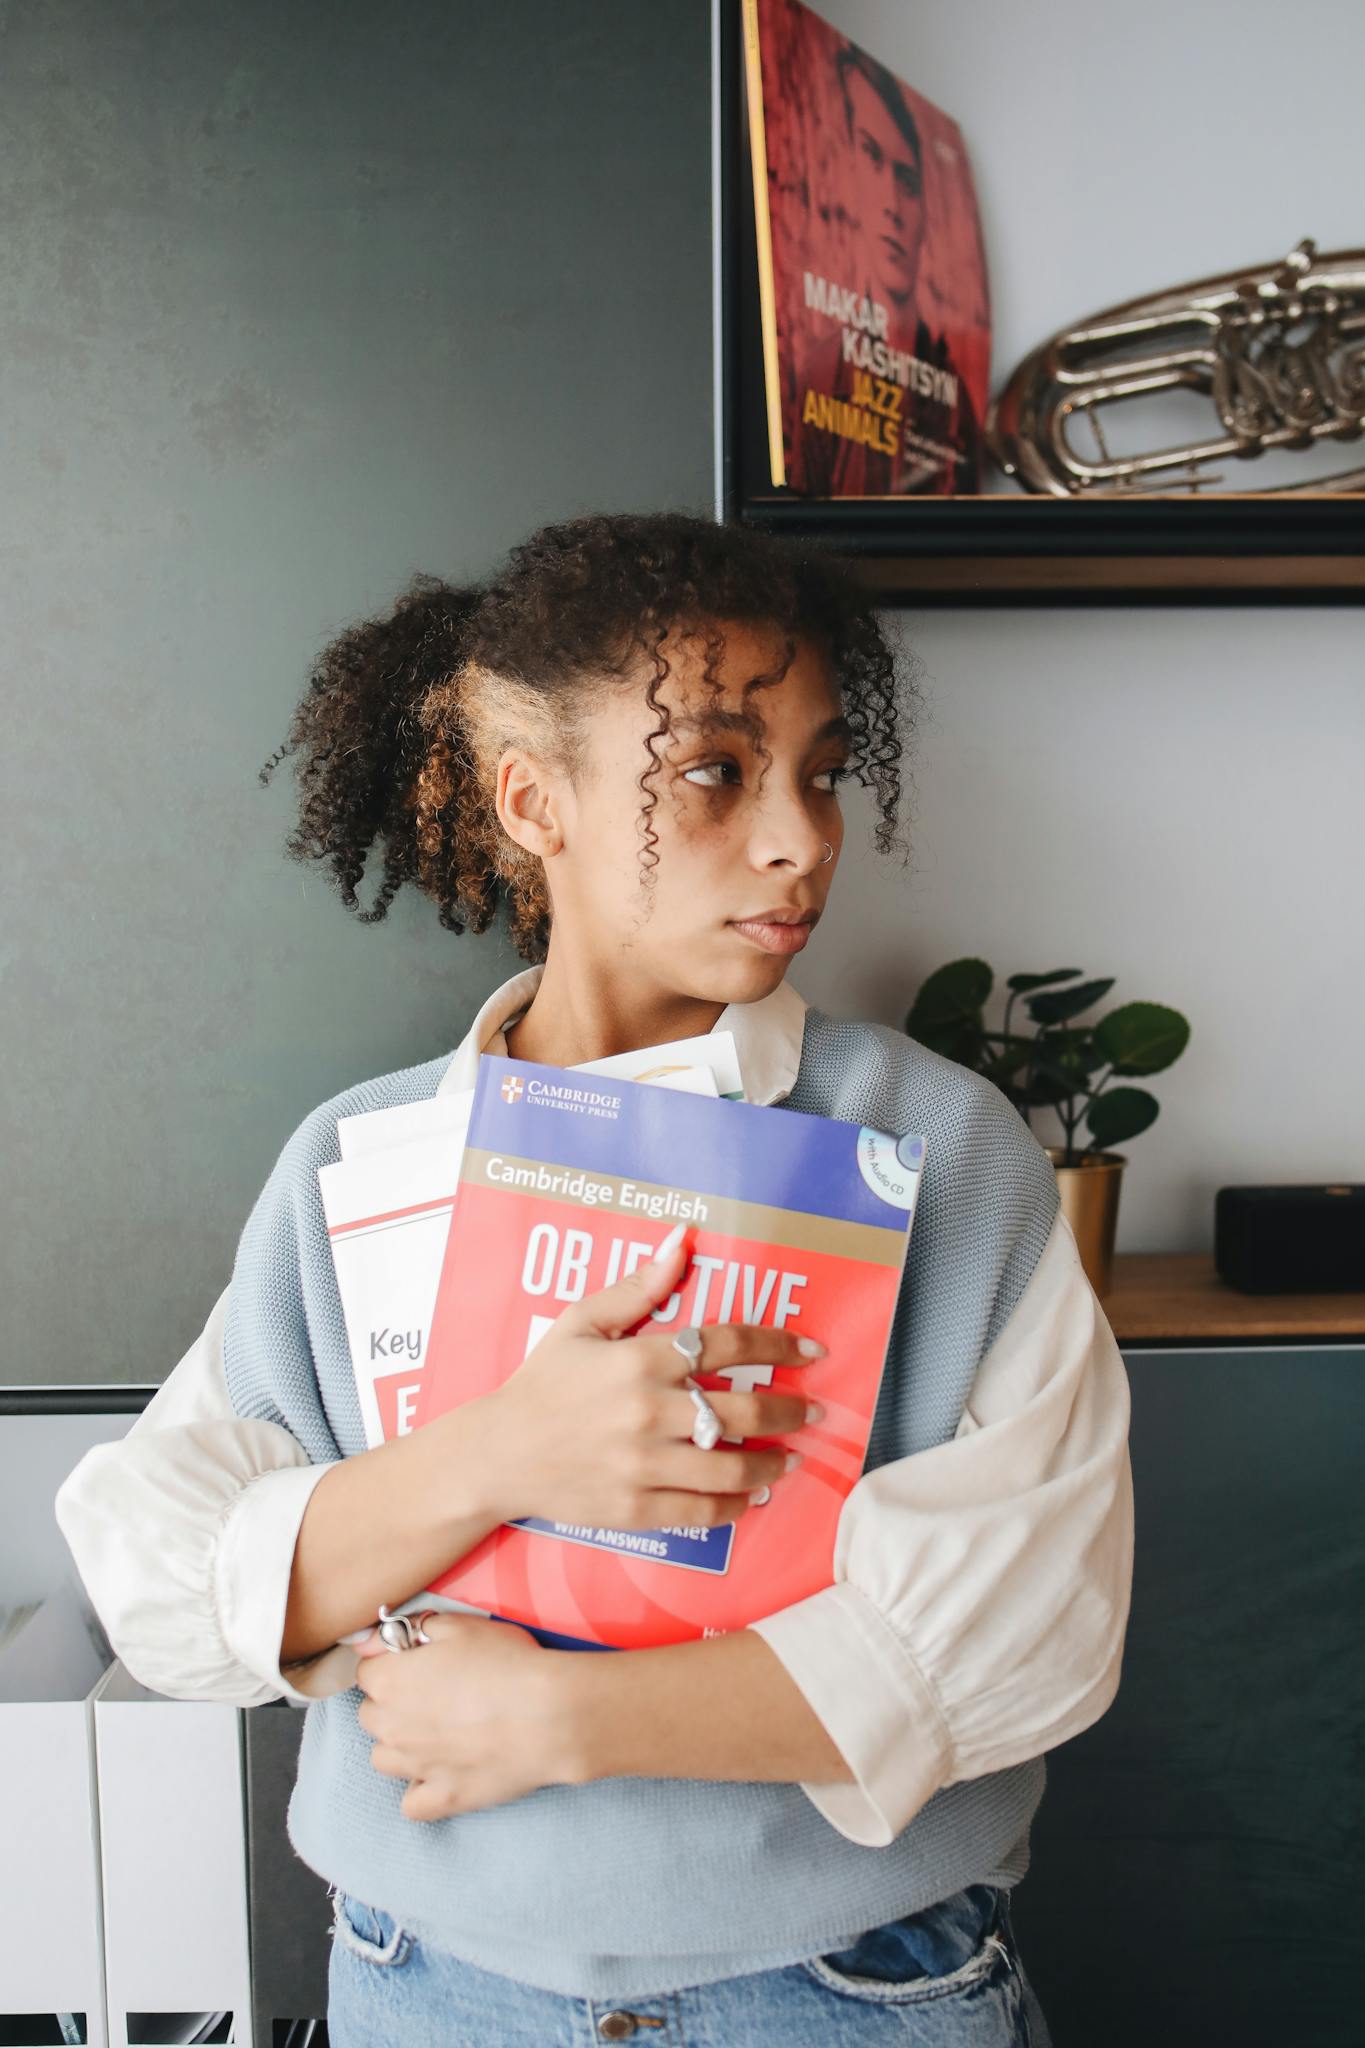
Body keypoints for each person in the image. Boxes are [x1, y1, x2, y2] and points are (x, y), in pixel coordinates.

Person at [56, 510, 1132, 2046]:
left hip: (842, 1992)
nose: (800, 837)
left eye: (820, 773)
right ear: (528, 799)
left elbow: (1032, 1624)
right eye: (714, 771)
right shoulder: (361, 1162)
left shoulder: (933, 1144)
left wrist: (565, 1720)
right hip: (423, 1986)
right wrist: (504, 1452)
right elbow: (163, 1571)